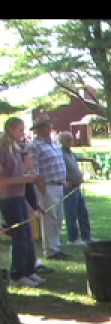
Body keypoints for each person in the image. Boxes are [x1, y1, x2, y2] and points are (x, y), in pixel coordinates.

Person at [0, 117, 47, 287]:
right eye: (20, 130)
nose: (23, 133)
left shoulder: (15, 149)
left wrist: (27, 181)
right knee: (19, 237)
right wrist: (26, 179)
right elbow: (2, 181)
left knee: (28, 236)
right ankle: (17, 274)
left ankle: (29, 271)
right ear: (11, 130)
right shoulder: (2, 149)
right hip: (8, 200)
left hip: (20, 197)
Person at [27, 118, 70, 260]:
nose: (48, 128)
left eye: (48, 126)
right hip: (46, 186)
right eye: (44, 126)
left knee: (59, 218)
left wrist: (64, 180)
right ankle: (51, 251)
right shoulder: (35, 146)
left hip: (59, 185)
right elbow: (33, 167)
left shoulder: (55, 144)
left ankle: (56, 246)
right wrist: (41, 186)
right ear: (38, 130)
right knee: (50, 218)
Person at [58, 131, 92, 246]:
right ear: (62, 141)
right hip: (69, 188)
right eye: (67, 140)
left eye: (71, 139)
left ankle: (87, 237)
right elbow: (61, 171)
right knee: (71, 214)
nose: (70, 142)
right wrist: (67, 182)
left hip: (77, 187)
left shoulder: (70, 153)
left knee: (83, 212)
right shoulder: (60, 154)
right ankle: (73, 239)